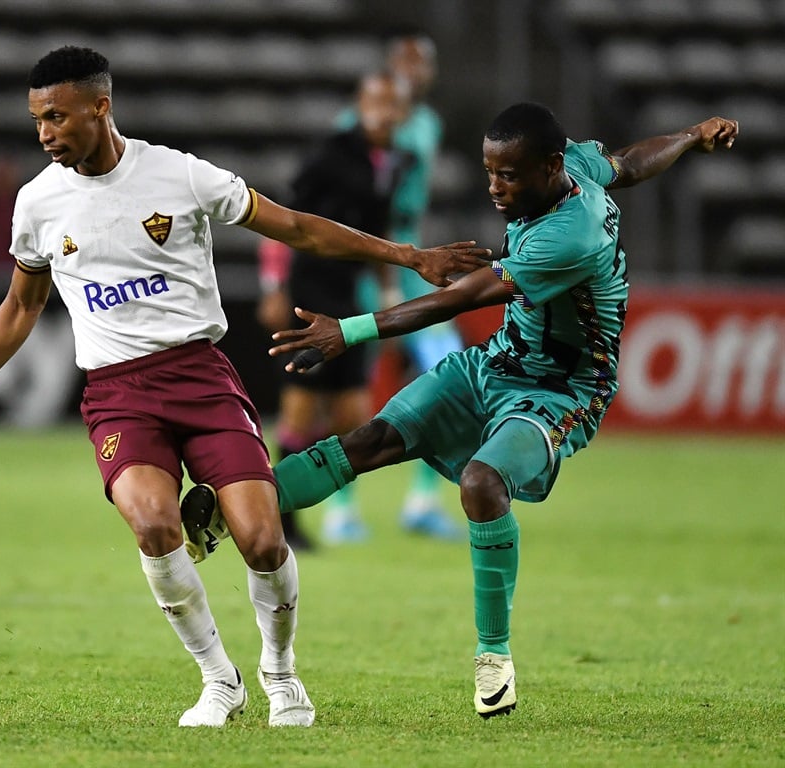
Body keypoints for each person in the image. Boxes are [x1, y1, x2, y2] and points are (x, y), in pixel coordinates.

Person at [0, 46, 490, 728]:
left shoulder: (178, 175)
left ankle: (281, 672)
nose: (45, 133)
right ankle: (220, 679)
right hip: (116, 392)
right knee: (155, 525)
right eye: (38, 120)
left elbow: (298, 226)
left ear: (101, 107)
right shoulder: (38, 203)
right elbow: (22, 305)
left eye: (58, 117)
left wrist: (407, 255)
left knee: (264, 541)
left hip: (200, 377)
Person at [265, 104, 739, 718]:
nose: (495, 187)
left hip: (563, 390)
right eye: (490, 172)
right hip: (496, 364)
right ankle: (233, 509)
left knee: (482, 484)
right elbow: (628, 162)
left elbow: (466, 295)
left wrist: (349, 332)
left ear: (548, 168)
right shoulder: (576, 168)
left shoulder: (572, 233)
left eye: (509, 175)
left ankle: (495, 658)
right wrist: (691, 136)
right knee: (373, 438)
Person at [256, 70, 413, 548]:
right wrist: (274, 286)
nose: (383, 112)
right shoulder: (330, 155)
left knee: (352, 413)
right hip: (309, 292)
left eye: (391, 104)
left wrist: (389, 295)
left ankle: (303, 497)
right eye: (375, 101)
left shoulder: (393, 163)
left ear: (403, 112)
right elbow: (285, 217)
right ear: (359, 104)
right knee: (301, 407)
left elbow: (377, 234)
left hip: (348, 296)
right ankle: (277, 518)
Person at [338, 32, 466, 540]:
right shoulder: (351, 126)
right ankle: (341, 507)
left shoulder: (429, 124)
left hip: (412, 263)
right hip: (363, 265)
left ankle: (422, 501)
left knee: (450, 376)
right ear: (389, 67)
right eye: (405, 61)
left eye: (423, 63)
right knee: (352, 390)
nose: (414, 70)